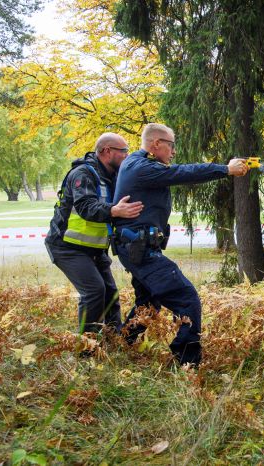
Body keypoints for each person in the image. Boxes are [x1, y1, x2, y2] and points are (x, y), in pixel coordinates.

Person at [113, 123, 249, 366]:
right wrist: (226, 169)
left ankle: (122, 345)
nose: (173, 152)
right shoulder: (143, 168)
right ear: (156, 144)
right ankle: (188, 363)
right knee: (187, 298)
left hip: (136, 247)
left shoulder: (135, 162)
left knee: (148, 303)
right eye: (171, 146)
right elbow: (185, 173)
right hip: (140, 249)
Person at [46, 133, 143, 333]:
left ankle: (114, 338)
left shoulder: (113, 176)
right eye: (123, 151)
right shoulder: (83, 173)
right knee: (94, 291)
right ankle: (87, 346)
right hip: (67, 247)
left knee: (110, 294)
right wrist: (114, 210)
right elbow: (86, 206)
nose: (127, 155)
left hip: (94, 249)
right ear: (107, 151)